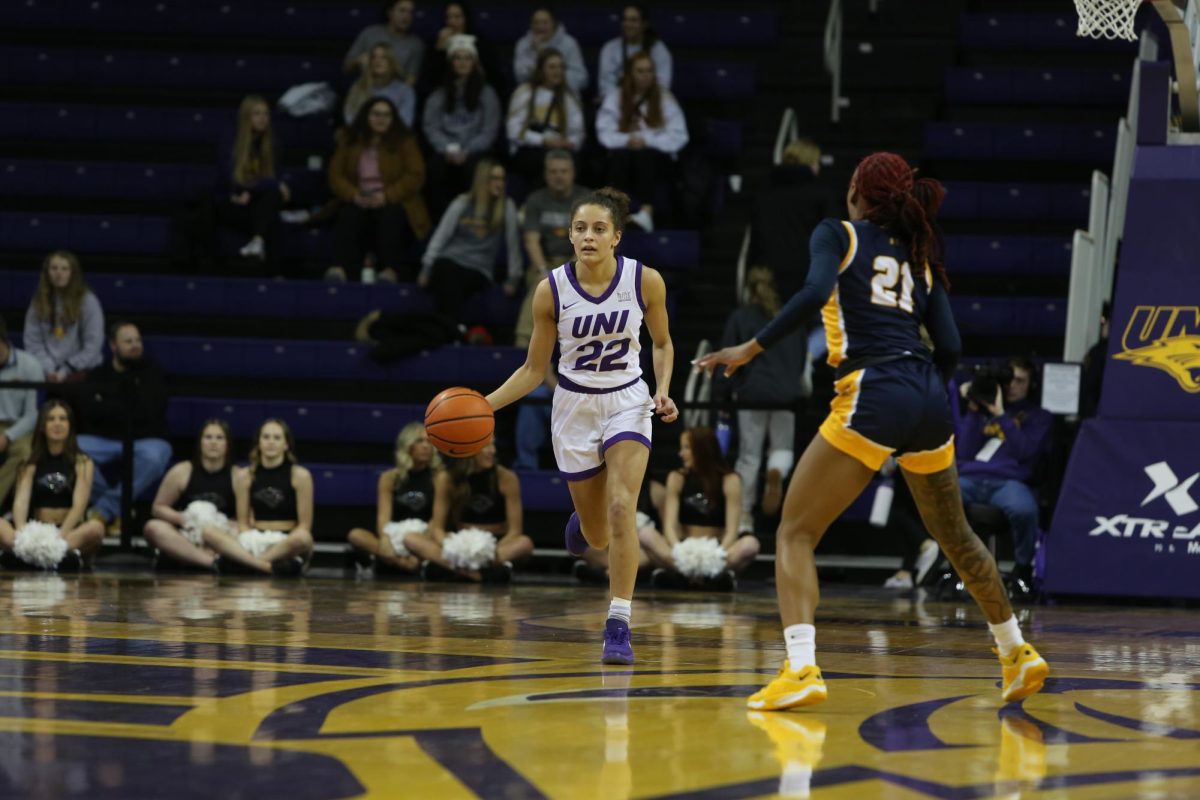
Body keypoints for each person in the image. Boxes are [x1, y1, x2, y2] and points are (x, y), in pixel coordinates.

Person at [696, 152, 1049, 710]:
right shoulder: (918, 258)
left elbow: (813, 295)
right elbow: (951, 347)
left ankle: (801, 668)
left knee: (793, 532)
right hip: (928, 395)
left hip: (873, 388)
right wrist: (921, 400)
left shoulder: (837, 234)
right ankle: (1016, 650)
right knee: (957, 538)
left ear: (857, 192)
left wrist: (750, 347)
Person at [483, 186, 679, 664]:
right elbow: (533, 369)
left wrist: (662, 388)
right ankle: (582, 525)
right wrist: (484, 406)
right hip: (573, 404)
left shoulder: (645, 281)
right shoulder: (550, 289)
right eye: (579, 228)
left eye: (598, 229)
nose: (588, 236)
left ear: (616, 237)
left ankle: (618, 623)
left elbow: (662, 344)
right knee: (597, 535)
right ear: (569, 236)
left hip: (628, 400)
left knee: (620, 508)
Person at [712, 267, 805, 533]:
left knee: (749, 456)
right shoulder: (789, 316)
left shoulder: (742, 317)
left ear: (747, 288)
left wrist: (722, 391)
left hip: (753, 393)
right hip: (787, 393)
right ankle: (776, 472)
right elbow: (801, 358)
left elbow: (728, 358)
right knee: (782, 448)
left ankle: (744, 516)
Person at [957, 356, 1052, 591]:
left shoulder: (1039, 417)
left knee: (1024, 510)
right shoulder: (981, 410)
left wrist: (1001, 415)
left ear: (1032, 385)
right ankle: (955, 564)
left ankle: (1022, 569)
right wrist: (973, 409)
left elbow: (1024, 452)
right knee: (937, 500)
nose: (1012, 386)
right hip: (971, 478)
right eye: (1009, 380)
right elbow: (964, 452)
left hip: (1008, 482)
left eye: (1020, 381)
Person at [76, 321, 172, 533]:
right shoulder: (98, 375)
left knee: (158, 454)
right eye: (128, 341)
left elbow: (152, 411)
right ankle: (121, 510)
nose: (135, 345)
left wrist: (109, 405)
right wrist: (125, 409)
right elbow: (90, 411)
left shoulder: (152, 374)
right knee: (71, 449)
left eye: (138, 340)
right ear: (113, 346)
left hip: (142, 440)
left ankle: (103, 510)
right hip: (103, 440)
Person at [639, 427, 760, 586]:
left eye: (686, 448)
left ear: (703, 449)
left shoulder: (730, 480)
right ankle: (706, 577)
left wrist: (716, 555)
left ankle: (687, 575)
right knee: (646, 534)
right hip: (683, 549)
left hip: (717, 549)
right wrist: (680, 551)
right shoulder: (677, 478)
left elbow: (732, 530)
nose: (681, 453)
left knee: (750, 545)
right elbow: (669, 526)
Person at [327, 97, 431, 283]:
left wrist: (387, 196)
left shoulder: (405, 141)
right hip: (359, 195)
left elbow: (416, 175)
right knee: (349, 215)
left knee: (391, 217)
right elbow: (336, 175)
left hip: (393, 198)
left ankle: (390, 270)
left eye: (387, 115)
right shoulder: (349, 139)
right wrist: (354, 195)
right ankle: (341, 269)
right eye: (376, 114)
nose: (381, 119)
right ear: (366, 116)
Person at [403, 441, 532, 581]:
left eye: (493, 445)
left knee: (525, 543)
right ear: (469, 450)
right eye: (486, 446)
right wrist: (455, 549)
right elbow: (438, 529)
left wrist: (486, 553)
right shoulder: (446, 478)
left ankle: (460, 570)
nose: (492, 451)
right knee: (411, 539)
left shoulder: (506, 477)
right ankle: (476, 574)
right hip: (457, 542)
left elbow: (515, 531)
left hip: (494, 544)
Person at [0, 400, 104, 569]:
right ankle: (54, 558)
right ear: (42, 426)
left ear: (70, 425)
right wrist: (22, 536)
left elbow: (79, 505)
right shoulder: (29, 462)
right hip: (36, 532)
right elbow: (21, 502)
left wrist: (60, 537)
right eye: (51, 419)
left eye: (63, 419)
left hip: (67, 533)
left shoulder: (82, 462)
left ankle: (38, 557)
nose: (57, 423)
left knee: (96, 528)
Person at [203, 419, 313, 576]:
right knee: (208, 532)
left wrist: (284, 543)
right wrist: (250, 540)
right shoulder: (245, 475)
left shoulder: (300, 475)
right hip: (255, 537)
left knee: (303, 537)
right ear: (259, 442)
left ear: (286, 444)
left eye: (277, 438)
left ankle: (246, 563)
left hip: (286, 541)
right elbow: (243, 523)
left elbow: (304, 525)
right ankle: (265, 567)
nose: (271, 442)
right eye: (266, 437)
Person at [418, 159, 521, 322]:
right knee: (445, 270)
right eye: (494, 179)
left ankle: (448, 327)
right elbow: (440, 236)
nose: (499, 184)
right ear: (482, 180)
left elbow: (513, 245)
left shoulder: (507, 207)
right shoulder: (462, 203)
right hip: (450, 260)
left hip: (479, 269)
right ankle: (451, 327)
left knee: (455, 280)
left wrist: (514, 278)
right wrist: (426, 268)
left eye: (501, 179)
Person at [595, 52, 688, 233]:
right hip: (623, 155)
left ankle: (646, 212)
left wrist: (646, 140)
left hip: (657, 159)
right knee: (622, 157)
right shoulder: (615, 97)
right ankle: (614, 213)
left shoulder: (665, 98)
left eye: (649, 71)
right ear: (630, 74)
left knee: (644, 156)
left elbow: (679, 135)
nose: (645, 75)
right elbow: (604, 133)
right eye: (640, 71)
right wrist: (628, 139)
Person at [421, 34, 503, 218]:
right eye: (457, 58)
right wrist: (447, 148)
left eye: (467, 58)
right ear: (451, 62)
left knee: (476, 170)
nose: (462, 63)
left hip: (474, 151)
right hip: (446, 151)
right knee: (433, 170)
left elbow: (489, 130)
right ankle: (440, 220)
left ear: (474, 62)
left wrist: (467, 150)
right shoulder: (439, 93)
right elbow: (431, 126)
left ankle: (474, 218)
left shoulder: (487, 93)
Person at [515, 149, 591, 347]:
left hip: (579, 262)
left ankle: (528, 344)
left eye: (563, 171)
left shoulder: (587, 200)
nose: (559, 176)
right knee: (542, 286)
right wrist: (543, 270)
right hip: (545, 262)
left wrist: (569, 270)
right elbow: (531, 240)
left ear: (572, 173)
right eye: (553, 172)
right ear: (546, 174)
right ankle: (525, 342)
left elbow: (589, 241)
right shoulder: (535, 200)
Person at [750, 139, 842, 300]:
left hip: (770, 274)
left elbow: (756, 237)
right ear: (811, 163)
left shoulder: (765, 193)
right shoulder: (821, 195)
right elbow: (833, 238)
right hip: (808, 274)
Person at [347, 422, 443, 574]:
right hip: (395, 537)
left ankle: (392, 562)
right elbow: (383, 516)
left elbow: (436, 519)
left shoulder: (439, 478)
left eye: (429, 442)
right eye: (419, 441)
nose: (426, 446)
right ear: (407, 445)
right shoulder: (390, 477)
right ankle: (403, 564)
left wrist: (421, 544)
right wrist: (385, 539)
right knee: (356, 535)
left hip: (422, 538)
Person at [143, 420, 237, 571]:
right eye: (208, 437)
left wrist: (224, 527)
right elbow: (158, 508)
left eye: (219, 438)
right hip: (187, 534)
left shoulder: (238, 475)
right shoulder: (182, 471)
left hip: (221, 535)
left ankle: (201, 558)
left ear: (228, 444)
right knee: (153, 527)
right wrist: (184, 519)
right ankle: (210, 563)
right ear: (200, 442)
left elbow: (245, 519)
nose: (213, 442)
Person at [216, 95, 290, 266]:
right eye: (256, 114)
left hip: (256, 202)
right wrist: (272, 184)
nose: (262, 118)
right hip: (232, 201)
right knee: (272, 213)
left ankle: (257, 242)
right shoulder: (230, 141)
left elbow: (275, 176)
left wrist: (258, 188)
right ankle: (275, 276)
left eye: (265, 114)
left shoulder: (271, 144)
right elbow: (233, 180)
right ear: (246, 117)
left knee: (272, 202)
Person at [506, 48, 585, 188]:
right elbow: (513, 131)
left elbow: (577, 132)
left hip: (560, 147)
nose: (557, 71)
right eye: (552, 67)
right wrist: (543, 140)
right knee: (543, 161)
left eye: (561, 67)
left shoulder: (569, 97)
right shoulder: (525, 93)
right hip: (531, 148)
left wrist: (570, 142)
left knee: (575, 160)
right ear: (541, 69)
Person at [23, 250, 105, 383]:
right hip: (48, 371)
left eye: (64, 269)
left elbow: (93, 345)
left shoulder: (88, 301)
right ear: (47, 273)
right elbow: (32, 342)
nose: (58, 273)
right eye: (54, 268)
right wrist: (49, 369)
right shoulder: (38, 302)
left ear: (73, 273)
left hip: (82, 371)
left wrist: (66, 370)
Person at [0, 314, 44, 508]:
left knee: (25, 453)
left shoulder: (29, 365)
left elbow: (33, 414)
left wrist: (7, 436)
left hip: (20, 427)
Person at [597, 4, 673, 100]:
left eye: (633, 20)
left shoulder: (659, 50)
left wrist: (641, 103)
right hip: (617, 103)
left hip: (650, 103)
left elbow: (663, 85)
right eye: (625, 19)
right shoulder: (609, 48)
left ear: (644, 24)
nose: (628, 24)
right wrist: (622, 102)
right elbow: (605, 85)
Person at [422, 2, 503, 92]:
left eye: (457, 17)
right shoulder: (436, 41)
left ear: (466, 18)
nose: (452, 22)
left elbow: (494, 76)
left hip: (476, 91)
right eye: (448, 17)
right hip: (446, 92)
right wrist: (439, 50)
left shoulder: (481, 42)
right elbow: (430, 79)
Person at [344, 0, 425, 85]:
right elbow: (346, 66)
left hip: (395, 91)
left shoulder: (416, 44)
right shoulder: (370, 33)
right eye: (402, 11)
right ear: (390, 13)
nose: (406, 16)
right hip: (365, 87)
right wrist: (358, 61)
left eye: (411, 13)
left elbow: (411, 79)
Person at [512, 8, 588, 94]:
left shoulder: (569, 43)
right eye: (536, 23)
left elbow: (582, 79)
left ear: (554, 24)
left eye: (545, 23)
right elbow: (519, 77)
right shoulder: (523, 44)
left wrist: (552, 74)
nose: (540, 27)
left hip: (563, 94)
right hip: (532, 94)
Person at [343, 44, 417, 129]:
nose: (378, 60)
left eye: (384, 57)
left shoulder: (405, 90)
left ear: (392, 62)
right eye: (374, 57)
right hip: (362, 136)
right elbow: (350, 116)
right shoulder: (358, 86)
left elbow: (405, 122)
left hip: (392, 138)